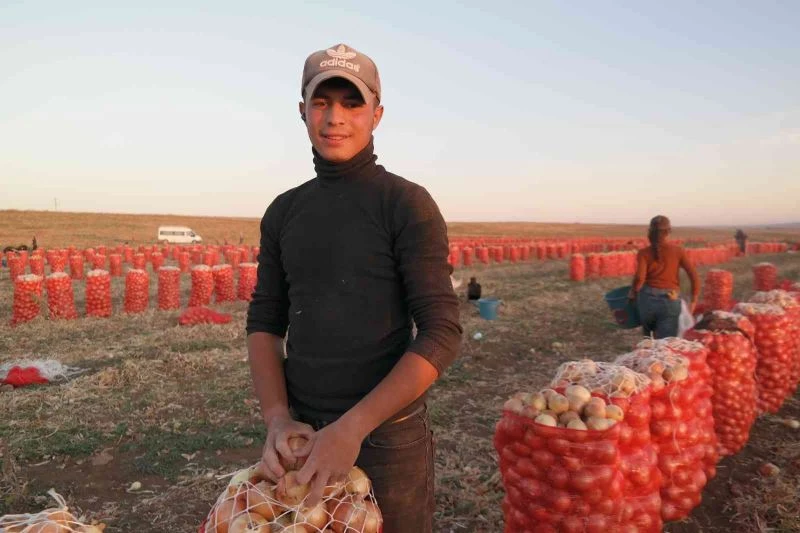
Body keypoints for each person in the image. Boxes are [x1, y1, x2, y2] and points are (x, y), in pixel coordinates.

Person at [246, 43, 462, 533]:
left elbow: (441, 332)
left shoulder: (405, 204)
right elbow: (265, 320)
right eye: (321, 102)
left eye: (352, 103)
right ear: (302, 110)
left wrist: (354, 427)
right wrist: (277, 418)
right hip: (302, 436)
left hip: (387, 439)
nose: (335, 118)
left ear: (377, 114)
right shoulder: (284, 211)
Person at [628, 215, 700, 339]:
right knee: (666, 343)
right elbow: (694, 276)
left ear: (650, 231)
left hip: (647, 300)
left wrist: (633, 293)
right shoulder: (678, 251)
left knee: (649, 340)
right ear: (669, 231)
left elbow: (640, 278)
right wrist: (693, 300)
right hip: (670, 298)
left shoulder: (643, 253)